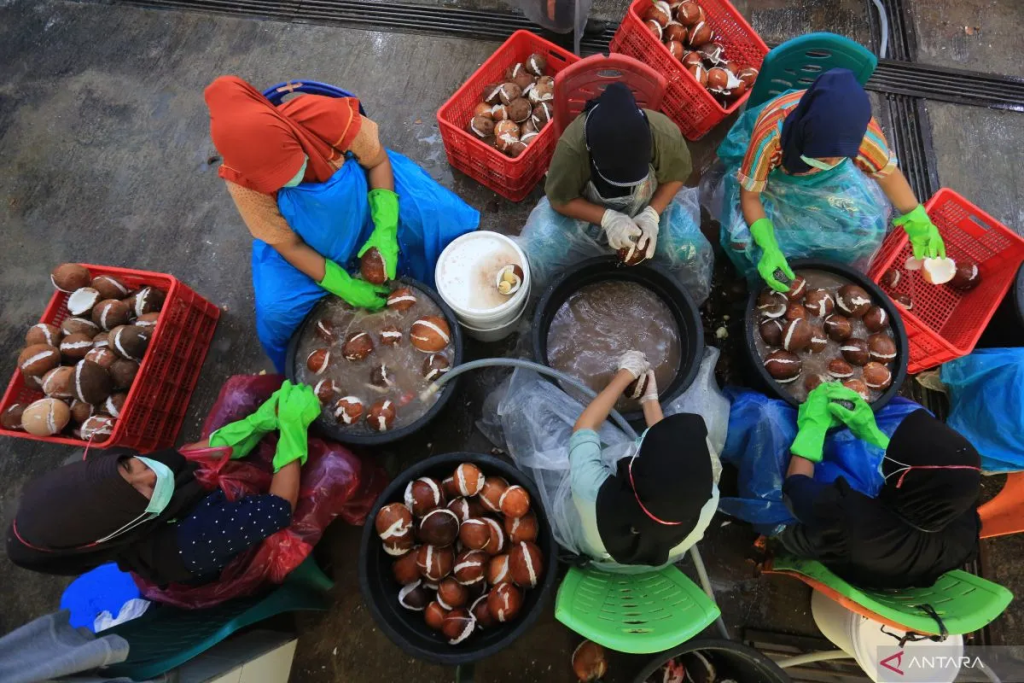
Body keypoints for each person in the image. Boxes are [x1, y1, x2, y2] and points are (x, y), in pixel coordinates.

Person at [204, 76, 478, 370]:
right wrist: (341, 283)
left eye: (290, 166)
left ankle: (458, 291)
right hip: (308, 243)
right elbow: (289, 245)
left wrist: (385, 229)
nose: (290, 179)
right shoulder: (242, 182)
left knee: (440, 215)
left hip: (368, 200)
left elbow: (377, 162)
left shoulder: (323, 117)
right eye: (274, 180)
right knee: (276, 312)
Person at [6, 382, 320, 586]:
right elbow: (277, 509)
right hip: (232, 543)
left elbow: (187, 458)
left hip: (197, 507)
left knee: (242, 394)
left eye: (130, 466)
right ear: (124, 524)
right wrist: (291, 432)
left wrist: (257, 423)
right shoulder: (191, 543)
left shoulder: (120, 478)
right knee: (331, 469)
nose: (150, 474)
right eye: (140, 490)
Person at [710, 68, 945, 292]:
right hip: (772, 179)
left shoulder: (861, 135)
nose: (832, 161)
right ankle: (755, 281)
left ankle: (825, 271)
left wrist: (917, 219)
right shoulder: (771, 136)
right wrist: (768, 246)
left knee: (867, 231)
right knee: (742, 240)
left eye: (840, 155)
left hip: (829, 181)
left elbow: (888, 175)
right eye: (823, 156)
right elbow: (750, 196)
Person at [517, 83, 714, 303]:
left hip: (646, 205)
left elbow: (676, 175)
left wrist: (651, 215)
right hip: (583, 215)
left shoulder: (663, 134)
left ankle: (690, 302)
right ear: (591, 153)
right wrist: (609, 219)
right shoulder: (573, 148)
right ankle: (534, 304)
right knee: (538, 252)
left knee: (690, 250)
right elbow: (560, 200)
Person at [779, 382, 981, 589]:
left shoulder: (851, 518)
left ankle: (776, 542)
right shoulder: (962, 511)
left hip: (849, 556)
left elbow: (795, 487)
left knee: (789, 509)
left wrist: (813, 428)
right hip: (909, 568)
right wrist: (871, 433)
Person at [569, 351, 720, 567]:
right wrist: (650, 401)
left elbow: (585, 428)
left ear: (638, 473)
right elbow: (669, 462)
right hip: (651, 557)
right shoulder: (708, 500)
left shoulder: (592, 492)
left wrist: (624, 376)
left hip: (594, 545)